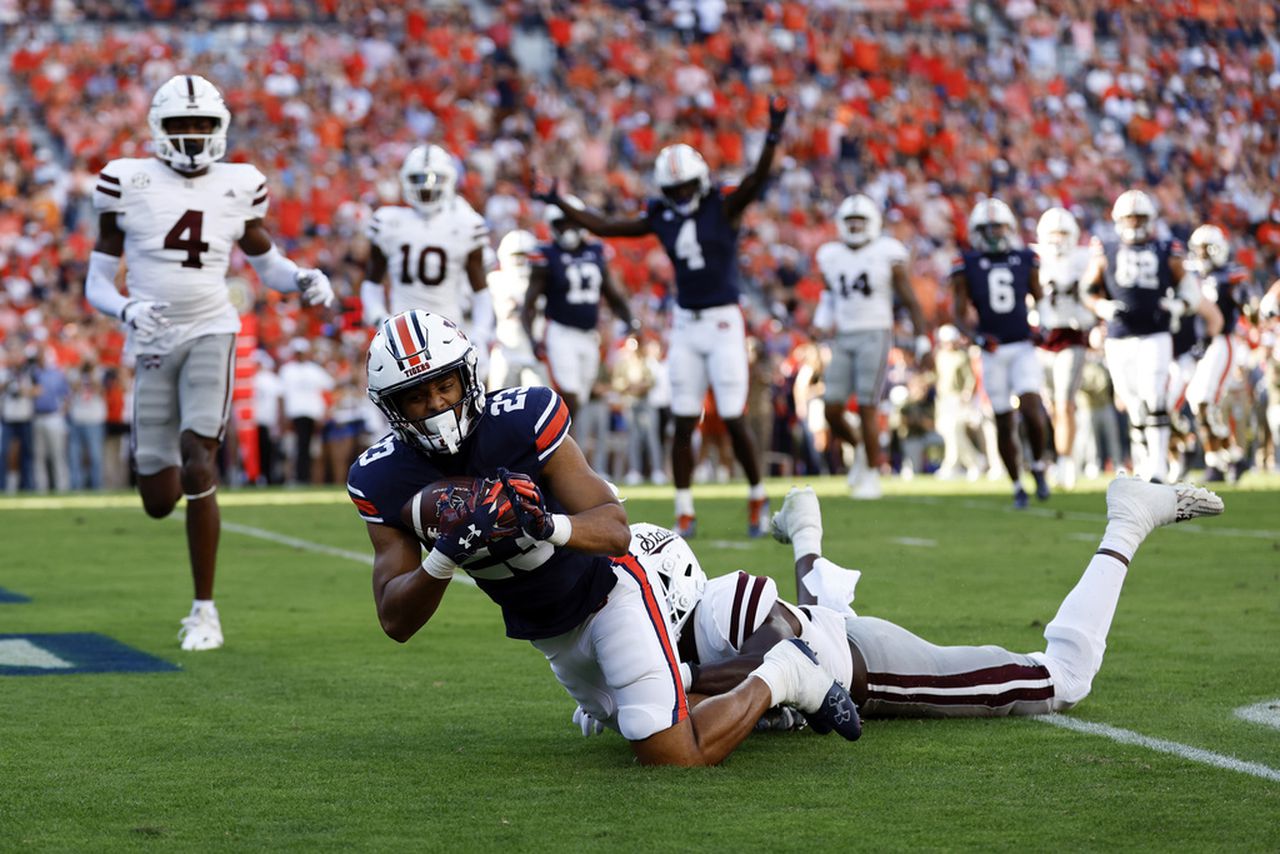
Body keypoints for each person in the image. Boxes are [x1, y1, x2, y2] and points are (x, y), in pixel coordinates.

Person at [346, 309, 860, 766]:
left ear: (468, 378)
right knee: (639, 716)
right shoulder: (381, 477)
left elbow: (614, 529)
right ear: (392, 407)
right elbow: (395, 620)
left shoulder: (522, 418)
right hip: (547, 631)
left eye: (445, 386)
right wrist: (445, 553)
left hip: (606, 591)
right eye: (417, 397)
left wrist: (543, 523)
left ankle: (787, 673)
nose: (437, 404)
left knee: (669, 749)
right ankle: (760, 699)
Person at [573, 479, 1221, 732]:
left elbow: (781, 654)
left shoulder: (715, 606)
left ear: (666, 586)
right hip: (831, 640)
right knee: (819, 616)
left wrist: (674, 684)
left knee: (1061, 680)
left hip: (870, 666)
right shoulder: (657, 631)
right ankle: (805, 526)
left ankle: (1127, 522)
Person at [83, 74, 334, 651]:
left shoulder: (240, 183)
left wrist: (299, 277)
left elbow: (265, 262)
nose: (193, 136)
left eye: (202, 125)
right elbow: (96, 280)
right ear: (158, 129)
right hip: (150, 338)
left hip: (212, 327)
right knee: (156, 499)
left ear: (219, 129)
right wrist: (125, 309)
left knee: (201, 462)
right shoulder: (127, 180)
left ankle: (204, 611)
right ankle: (170, 458)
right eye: (180, 126)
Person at [535, 96, 790, 539]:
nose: (682, 197)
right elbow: (607, 225)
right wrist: (563, 202)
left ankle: (756, 494)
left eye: (687, 188)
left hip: (725, 320)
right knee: (683, 418)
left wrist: (772, 133)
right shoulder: (661, 214)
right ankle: (685, 508)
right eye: (675, 191)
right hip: (687, 323)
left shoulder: (723, 205)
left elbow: (757, 178)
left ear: (702, 181)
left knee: (732, 415)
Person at [813, 193, 930, 499]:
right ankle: (863, 451)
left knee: (867, 405)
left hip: (875, 333)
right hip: (843, 334)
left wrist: (920, 336)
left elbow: (908, 298)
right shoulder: (831, 254)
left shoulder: (886, 252)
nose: (854, 226)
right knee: (831, 408)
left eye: (859, 221)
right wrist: (820, 322)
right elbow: (829, 296)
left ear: (873, 223)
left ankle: (873, 474)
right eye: (849, 221)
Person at [1082, 189, 1195, 483]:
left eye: (1139, 218)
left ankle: (1157, 466)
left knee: (1154, 394)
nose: (1134, 224)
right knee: (1132, 402)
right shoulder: (1105, 249)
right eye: (1129, 218)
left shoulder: (1166, 248)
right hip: (1119, 337)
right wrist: (1101, 306)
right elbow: (1088, 290)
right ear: (1119, 220)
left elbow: (1189, 288)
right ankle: (1143, 460)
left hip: (1155, 332)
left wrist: (1179, 304)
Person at [950, 198, 1051, 508]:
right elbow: (957, 314)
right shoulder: (965, 264)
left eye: (999, 227)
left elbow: (1040, 298)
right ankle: (1018, 484)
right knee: (1003, 420)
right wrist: (978, 338)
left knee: (1033, 410)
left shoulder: (1025, 258)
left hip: (1022, 345)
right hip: (992, 352)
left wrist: (1040, 326)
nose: (994, 233)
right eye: (987, 228)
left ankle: (1038, 467)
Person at [361, 144, 493, 377]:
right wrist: (378, 317)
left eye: (435, 178)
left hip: (449, 329)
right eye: (418, 178)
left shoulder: (465, 223)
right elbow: (371, 282)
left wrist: (480, 334)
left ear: (450, 180)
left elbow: (481, 291)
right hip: (400, 331)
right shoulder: (388, 221)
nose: (426, 185)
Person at [521, 195, 638, 420]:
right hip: (561, 332)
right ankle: (558, 451)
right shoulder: (546, 254)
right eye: (561, 224)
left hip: (589, 334)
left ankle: (563, 447)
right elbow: (529, 303)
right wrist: (532, 339)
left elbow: (612, 293)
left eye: (571, 223)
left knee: (580, 400)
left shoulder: (596, 251)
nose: (567, 230)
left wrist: (630, 320)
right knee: (570, 396)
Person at [1033, 207, 1093, 490]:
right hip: (1041, 338)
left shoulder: (1084, 259)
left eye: (1063, 233)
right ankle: (1059, 456)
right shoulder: (1034, 259)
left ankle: (1066, 461)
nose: (1058, 240)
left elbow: (1096, 294)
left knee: (1064, 402)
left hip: (1071, 333)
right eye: (1053, 234)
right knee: (1049, 406)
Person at [1183, 225, 1249, 481]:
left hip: (1223, 342)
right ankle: (1231, 457)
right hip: (1203, 345)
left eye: (1205, 250)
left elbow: (1245, 302)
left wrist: (1246, 301)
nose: (1201, 256)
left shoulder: (1229, 275)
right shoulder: (1193, 275)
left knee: (1203, 401)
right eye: (1197, 250)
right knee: (1199, 402)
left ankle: (1217, 462)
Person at [487, 229, 548, 392]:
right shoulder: (494, 281)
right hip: (505, 351)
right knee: (497, 403)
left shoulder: (543, 283)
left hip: (534, 352)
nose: (520, 261)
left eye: (524, 255)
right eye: (516, 256)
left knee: (539, 404)